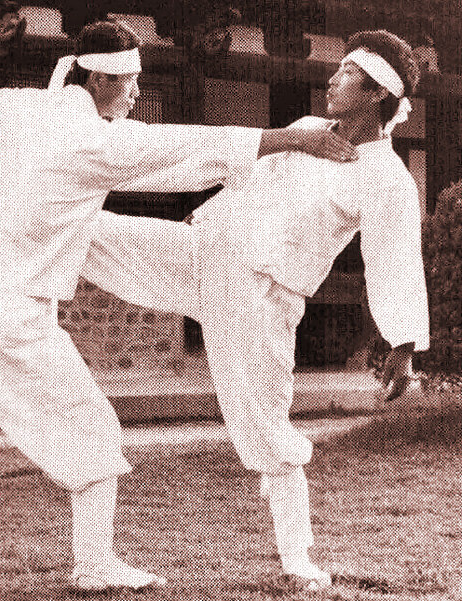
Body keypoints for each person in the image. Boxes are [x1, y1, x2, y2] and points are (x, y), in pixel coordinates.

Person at [0, 20, 356, 591]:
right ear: (100, 80)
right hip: (13, 315)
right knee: (92, 432)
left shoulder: (20, 106)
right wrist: (292, 140)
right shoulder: (93, 143)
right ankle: (94, 564)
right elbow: (185, 146)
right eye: (131, 82)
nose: (138, 93)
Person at [81, 29, 429, 589]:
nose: (331, 79)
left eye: (346, 74)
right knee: (85, 227)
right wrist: (209, 208)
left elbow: (394, 260)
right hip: (207, 253)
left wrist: (403, 342)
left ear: (375, 94)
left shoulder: (387, 178)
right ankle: (3, 228)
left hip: (261, 298)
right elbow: (239, 172)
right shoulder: (305, 130)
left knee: (265, 423)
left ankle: (297, 558)